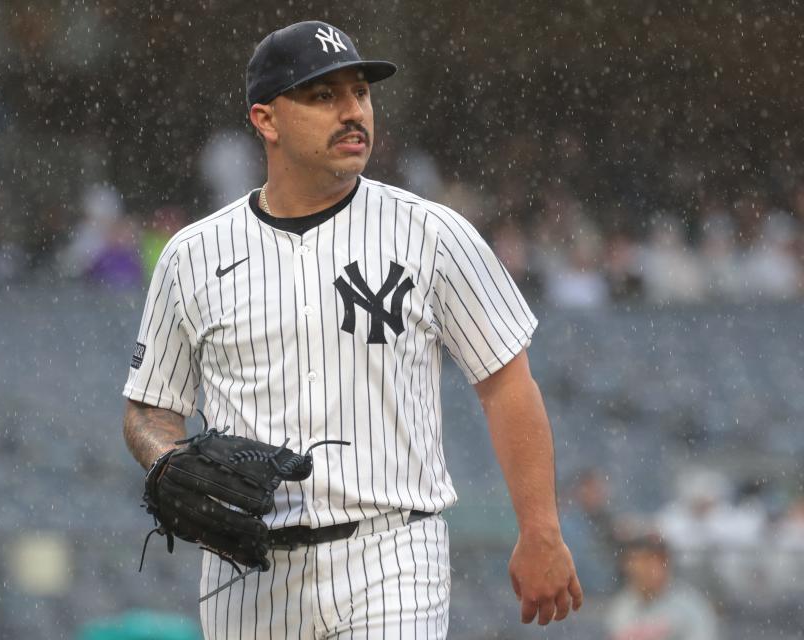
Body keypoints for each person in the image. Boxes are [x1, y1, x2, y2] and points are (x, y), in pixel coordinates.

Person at [122, 20, 581, 638]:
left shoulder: (432, 233)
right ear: (266, 120)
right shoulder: (192, 255)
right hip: (245, 572)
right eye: (322, 96)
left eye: (360, 93)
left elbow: (506, 385)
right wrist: (165, 462)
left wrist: (541, 529)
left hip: (391, 552)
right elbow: (150, 411)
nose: (352, 111)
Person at [605, 534, 719, 640]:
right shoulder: (620, 607)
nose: (643, 570)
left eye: (651, 561)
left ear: (665, 564)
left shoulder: (692, 605)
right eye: (638, 562)